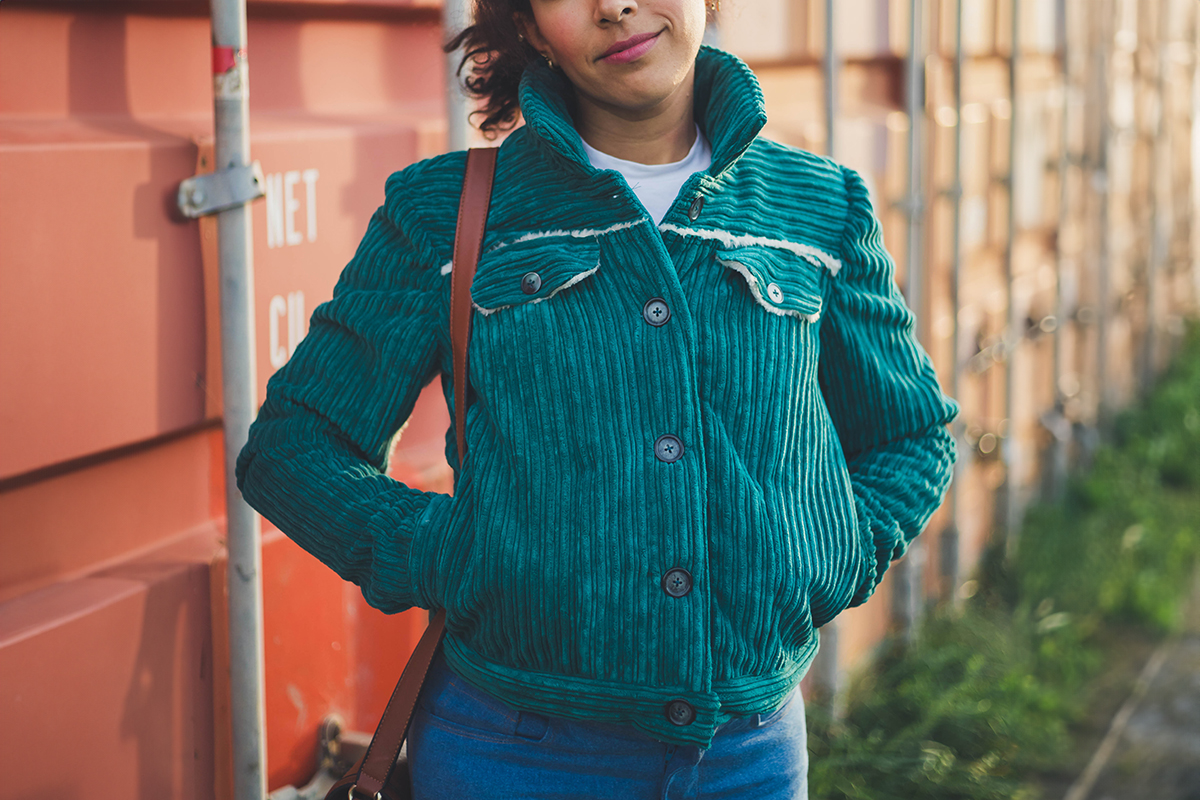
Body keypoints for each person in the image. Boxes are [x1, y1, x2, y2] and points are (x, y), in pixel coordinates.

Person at [235, 0, 958, 796]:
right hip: (514, 751)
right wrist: (450, 553)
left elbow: (911, 435)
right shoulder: (447, 212)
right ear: (531, 26)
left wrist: (827, 550)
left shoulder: (819, 205)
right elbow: (293, 447)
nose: (614, 5)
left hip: (746, 756)